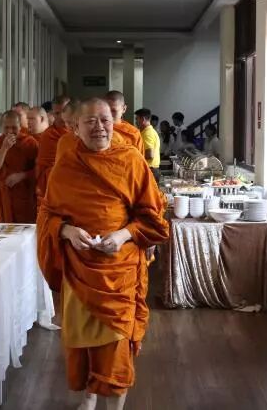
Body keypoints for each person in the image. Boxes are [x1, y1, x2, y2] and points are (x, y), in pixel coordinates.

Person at [37, 98, 170, 410]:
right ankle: (89, 396)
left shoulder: (131, 160)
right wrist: (66, 231)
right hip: (79, 269)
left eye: (105, 120)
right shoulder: (66, 165)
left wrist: (123, 235)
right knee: (84, 341)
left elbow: (153, 219)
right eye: (90, 121)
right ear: (76, 127)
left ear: (115, 121)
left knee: (116, 347)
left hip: (118, 271)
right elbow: (47, 213)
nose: (99, 127)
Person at [0, 110, 38, 223]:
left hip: (24, 200)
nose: (10, 131)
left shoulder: (30, 143)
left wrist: (22, 176)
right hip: (1, 199)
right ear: (1, 128)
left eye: (14, 127)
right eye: (6, 128)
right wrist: (4, 148)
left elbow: (39, 171)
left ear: (20, 127)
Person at [35, 96, 71, 206]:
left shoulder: (81, 131)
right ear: (52, 114)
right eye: (57, 113)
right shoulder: (48, 135)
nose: (60, 117)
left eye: (63, 112)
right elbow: (44, 166)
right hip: (55, 186)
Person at [134, 108, 160, 181]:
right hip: (150, 169)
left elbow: (150, 154)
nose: (136, 122)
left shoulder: (147, 133)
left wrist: (133, 156)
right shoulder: (148, 131)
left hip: (149, 170)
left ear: (143, 119)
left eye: (137, 119)